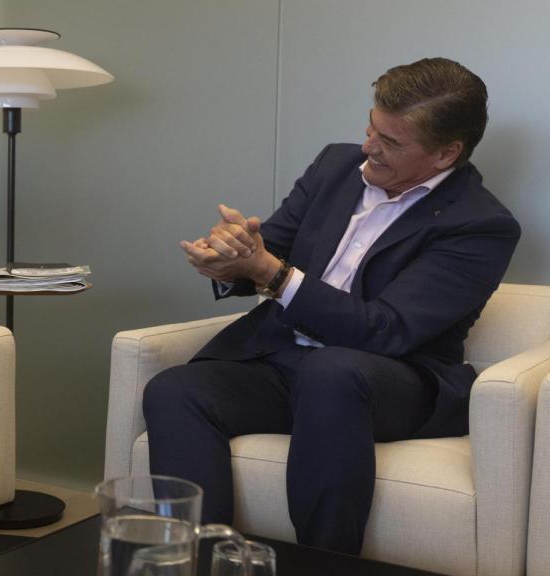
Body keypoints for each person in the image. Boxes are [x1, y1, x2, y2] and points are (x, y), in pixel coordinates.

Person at [142, 57, 520, 555]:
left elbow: (386, 330)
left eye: (391, 142)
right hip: (287, 361)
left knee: (332, 371)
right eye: (370, 129)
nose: (369, 148)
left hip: (394, 380)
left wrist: (270, 272)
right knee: (175, 389)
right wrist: (229, 259)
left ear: (446, 153)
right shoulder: (335, 167)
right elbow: (269, 247)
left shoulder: (480, 225)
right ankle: (201, 560)